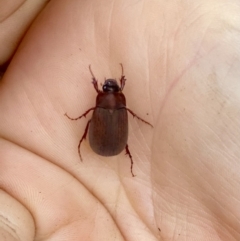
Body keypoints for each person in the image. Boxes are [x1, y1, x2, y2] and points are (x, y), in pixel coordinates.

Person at [0, 1, 239, 240]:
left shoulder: (104, 107)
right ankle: (129, 160)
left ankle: (126, 158)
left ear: (103, 94)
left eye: (107, 87)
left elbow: (89, 116)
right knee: (93, 125)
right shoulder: (121, 108)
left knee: (87, 121)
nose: (109, 86)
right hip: (111, 143)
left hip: (105, 141)